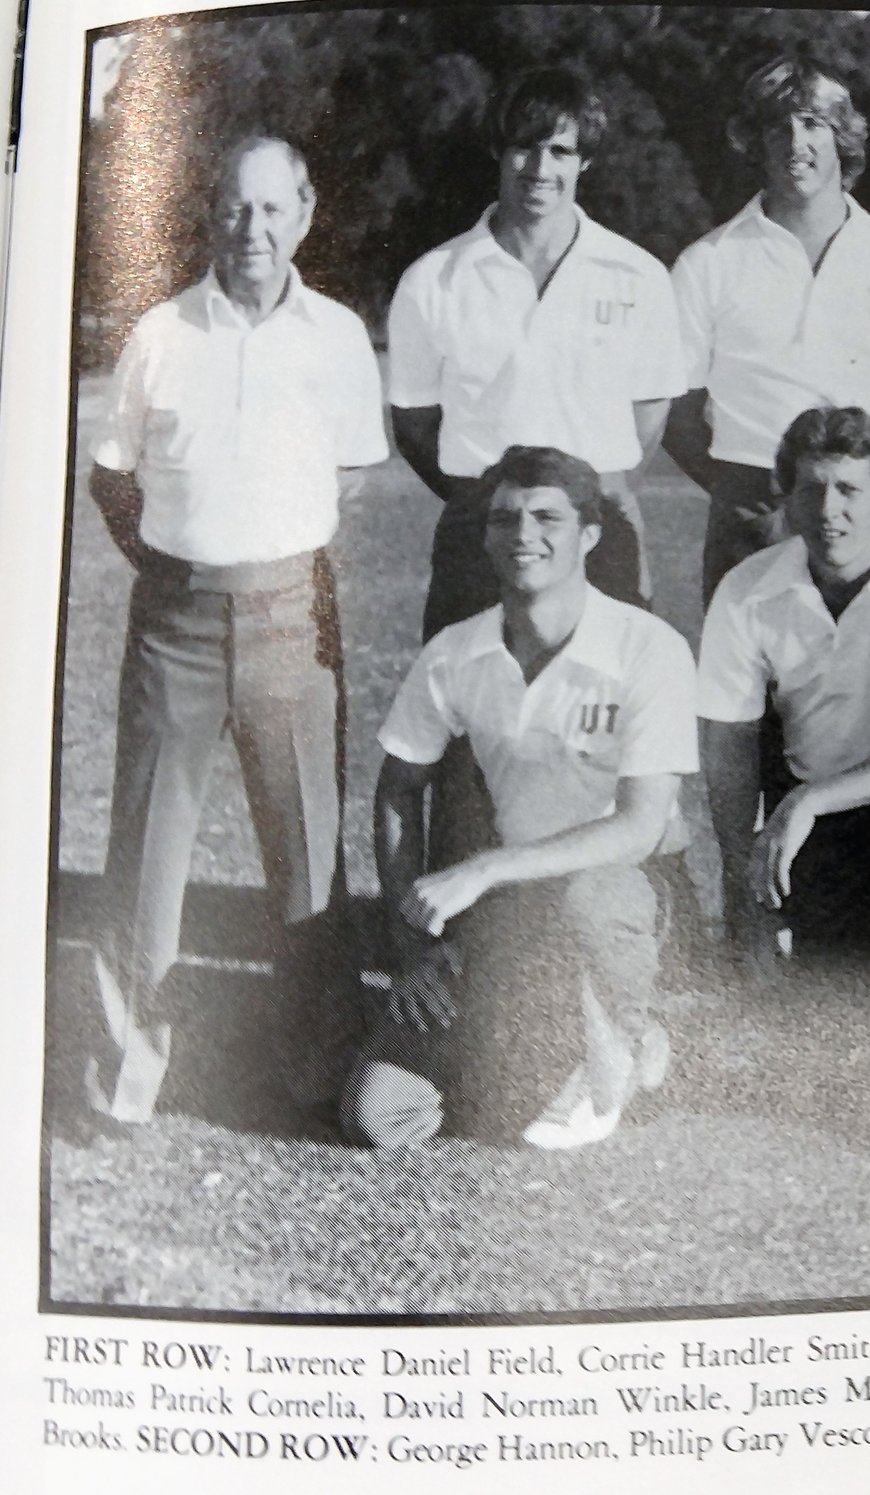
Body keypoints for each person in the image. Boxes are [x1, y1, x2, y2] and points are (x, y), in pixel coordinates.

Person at [84, 135, 388, 1125]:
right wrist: (180, 570)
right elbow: (112, 475)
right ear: (210, 216)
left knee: (304, 849)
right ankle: (129, 1068)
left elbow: (342, 472)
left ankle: (313, 1060)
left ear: (301, 215)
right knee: (147, 853)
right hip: (174, 619)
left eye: (272, 210)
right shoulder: (161, 332)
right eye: (233, 209)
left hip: (291, 619)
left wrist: (260, 565)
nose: (252, 230)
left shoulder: (338, 337)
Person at [343, 447, 694, 1151]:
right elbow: (398, 787)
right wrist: (413, 948)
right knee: (380, 1114)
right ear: (484, 536)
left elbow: (639, 826)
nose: (522, 534)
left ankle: (633, 1029)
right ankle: (538, 1041)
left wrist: (485, 869)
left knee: (587, 897)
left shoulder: (648, 647)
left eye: (546, 517)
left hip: (625, 897)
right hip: (511, 908)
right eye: (504, 518)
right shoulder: (456, 652)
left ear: (589, 535)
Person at [696, 407, 870, 1027]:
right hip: (815, 821)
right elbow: (728, 747)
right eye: (811, 490)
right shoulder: (746, 591)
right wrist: (740, 873)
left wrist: (806, 803)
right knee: (825, 1017)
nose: (829, 511)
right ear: (787, 501)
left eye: (850, 489)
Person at [387, 66, 683, 639]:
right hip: (480, 531)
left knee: (602, 710)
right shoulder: (434, 278)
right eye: (525, 148)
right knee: (472, 712)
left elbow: (649, 418)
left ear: (583, 161)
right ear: (498, 151)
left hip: (600, 527)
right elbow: (415, 423)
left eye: (561, 151)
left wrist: (582, 500)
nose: (541, 169)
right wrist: (489, 499)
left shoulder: (638, 275)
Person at [667, 48, 870, 600]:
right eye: (778, 127)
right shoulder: (708, 260)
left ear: (842, 138)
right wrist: (744, 489)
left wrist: (868, 484)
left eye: (813, 124)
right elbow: (677, 413)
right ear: (756, 142)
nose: (797, 144)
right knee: (755, 681)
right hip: (754, 507)